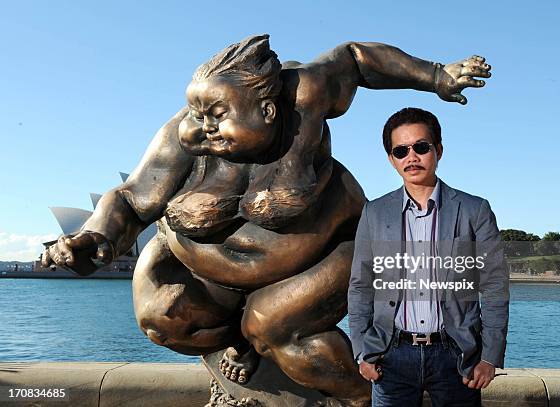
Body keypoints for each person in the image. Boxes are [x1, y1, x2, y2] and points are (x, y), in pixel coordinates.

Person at [41, 35, 491, 406]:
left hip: (325, 253)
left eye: (217, 116)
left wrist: (435, 76)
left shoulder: (306, 94)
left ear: (267, 111)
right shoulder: (184, 139)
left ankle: (360, 396)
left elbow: (356, 59)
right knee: (163, 317)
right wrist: (92, 236)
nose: (201, 127)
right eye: (197, 114)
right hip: (208, 272)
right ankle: (238, 335)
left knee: (273, 326)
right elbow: (132, 199)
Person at [348, 107, 509, 406]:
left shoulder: (475, 210)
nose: (412, 157)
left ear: (438, 150)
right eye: (401, 150)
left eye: (421, 147)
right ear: (391, 159)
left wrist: (489, 356)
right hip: (390, 355)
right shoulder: (374, 212)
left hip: (457, 356)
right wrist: (361, 350)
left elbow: (495, 286)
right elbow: (361, 285)